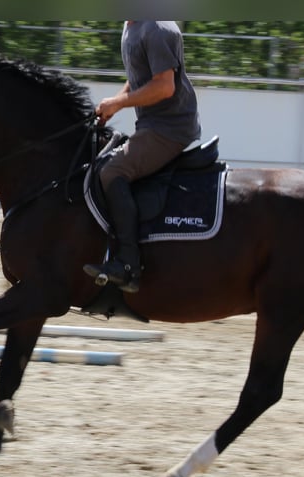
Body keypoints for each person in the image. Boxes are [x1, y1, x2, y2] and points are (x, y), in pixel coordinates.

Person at [83, 20, 201, 293]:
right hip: (151, 125)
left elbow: (164, 87)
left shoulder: (157, 28)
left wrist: (119, 103)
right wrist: (117, 100)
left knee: (112, 171)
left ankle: (127, 265)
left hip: (171, 128)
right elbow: (141, 74)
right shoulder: (131, 24)